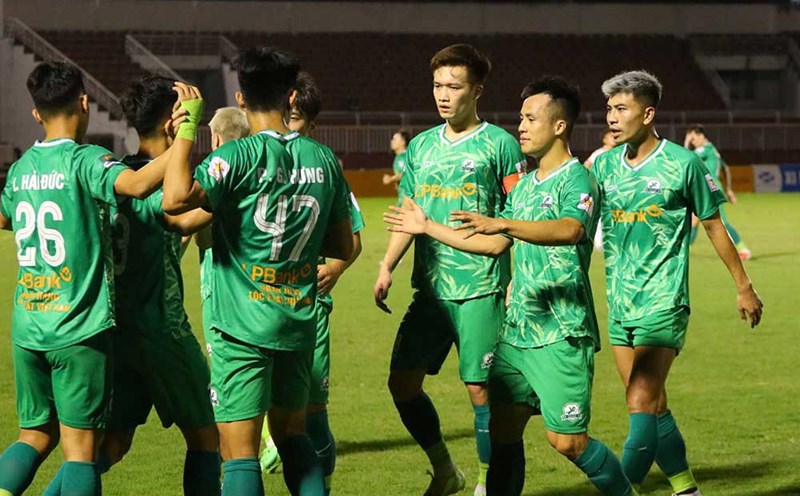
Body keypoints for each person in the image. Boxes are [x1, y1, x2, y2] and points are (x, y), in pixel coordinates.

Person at [384, 76, 638, 496]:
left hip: (562, 332)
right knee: (503, 430)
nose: (520, 126)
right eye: (521, 117)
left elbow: (569, 229)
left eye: (530, 118)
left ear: (559, 126)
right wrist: (427, 226)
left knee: (567, 441)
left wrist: (504, 221)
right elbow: (493, 243)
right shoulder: (526, 186)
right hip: (518, 331)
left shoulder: (578, 180)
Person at [161, 47, 354, 496]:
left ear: (241, 99)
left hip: (241, 324)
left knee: (239, 450)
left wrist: (187, 126)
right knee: (291, 434)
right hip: (297, 320)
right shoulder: (324, 160)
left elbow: (173, 201)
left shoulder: (237, 157)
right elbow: (342, 246)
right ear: (291, 97)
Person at [0, 61, 169, 496]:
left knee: (34, 436)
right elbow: (135, 185)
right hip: (77, 328)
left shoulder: (20, 170)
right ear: (84, 103)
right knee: (80, 451)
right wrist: (182, 142)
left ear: (37, 114)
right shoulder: (87, 160)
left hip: (28, 326)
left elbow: (5, 216)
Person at [594, 70, 763, 496]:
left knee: (639, 406)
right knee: (654, 407)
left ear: (648, 113)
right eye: (609, 109)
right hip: (619, 303)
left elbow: (713, 226)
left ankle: (621, 490)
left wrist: (743, 286)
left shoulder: (681, 163)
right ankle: (686, 488)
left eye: (621, 109)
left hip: (663, 302)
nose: (612, 118)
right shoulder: (603, 166)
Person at [373, 44, 526, 496]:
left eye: (454, 86)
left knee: (481, 391)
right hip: (432, 291)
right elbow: (412, 213)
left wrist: (520, 272)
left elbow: (517, 217)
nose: (443, 95)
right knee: (401, 382)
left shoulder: (500, 145)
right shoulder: (419, 147)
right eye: (438, 85)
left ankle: (486, 484)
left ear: (476, 90)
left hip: (480, 286)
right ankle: (445, 469)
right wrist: (387, 265)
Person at [94, 75, 220, 495]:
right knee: (208, 437)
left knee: (111, 444)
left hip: (118, 332)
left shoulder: (117, 177)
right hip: (163, 332)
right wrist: (233, 197)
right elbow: (179, 218)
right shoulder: (161, 187)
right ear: (174, 124)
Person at [259, 71, 366, 496]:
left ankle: (320, 483)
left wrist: (337, 268)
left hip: (307, 305)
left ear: (312, 124)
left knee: (312, 409)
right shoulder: (257, 159)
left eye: (298, 118)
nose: (290, 124)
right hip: (260, 301)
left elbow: (352, 238)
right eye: (286, 114)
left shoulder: (323, 168)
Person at [684, 125, 751, 260]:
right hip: (707, 189)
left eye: (693, 138)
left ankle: (743, 248)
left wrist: (685, 142)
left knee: (721, 223)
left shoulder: (705, 149)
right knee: (693, 220)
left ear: (701, 136)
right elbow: (725, 169)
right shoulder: (713, 151)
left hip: (711, 189)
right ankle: (686, 249)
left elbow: (686, 158)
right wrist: (729, 190)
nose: (692, 142)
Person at [584, 128, 615, 251]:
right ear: (604, 139)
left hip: (613, 189)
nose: (612, 138)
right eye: (609, 136)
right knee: (599, 215)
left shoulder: (619, 153)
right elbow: (586, 166)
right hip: (600, 188)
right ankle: (598, 244)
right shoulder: (599, 153)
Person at [382, 129, 411, 199]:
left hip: (407, 198)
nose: (392, 141)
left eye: (395, 139)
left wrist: (391, 179)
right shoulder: (400, 156)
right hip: (405, 196)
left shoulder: (403, 157)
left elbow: (406, 173)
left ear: (403, 142)